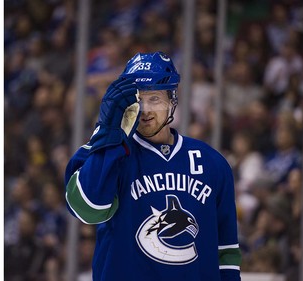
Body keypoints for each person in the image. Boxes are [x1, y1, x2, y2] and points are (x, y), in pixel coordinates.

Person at [64, 51, 241, 281]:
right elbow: (88, 209)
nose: (145, 110)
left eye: (155, 99)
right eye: (138, 99)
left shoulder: (212, 162)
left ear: (171, 101)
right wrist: (109, 132)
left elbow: (225, 249)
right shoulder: (105, 153)